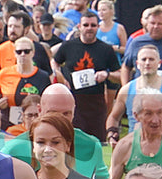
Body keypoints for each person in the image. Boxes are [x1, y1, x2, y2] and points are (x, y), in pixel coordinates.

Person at [51, 11, 122, 143]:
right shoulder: (68, 46)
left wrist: (107, 75)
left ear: (98, 27)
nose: (89, 28)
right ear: (79, 26)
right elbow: (54, 61)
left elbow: (120, 75)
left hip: (96, 104)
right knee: (72, 143)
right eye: (86, 25)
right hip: (72, 102)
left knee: (96, 144)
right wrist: (59, 75)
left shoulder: (106, 49)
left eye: (93, 25)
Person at [107, 45, 162, 141]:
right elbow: (114, 117)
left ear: (159, 63)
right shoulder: (126, 90)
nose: (147, 63)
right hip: (136, 146)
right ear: (137, 63)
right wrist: (112, 134)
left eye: (151, 59)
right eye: (144, 59)